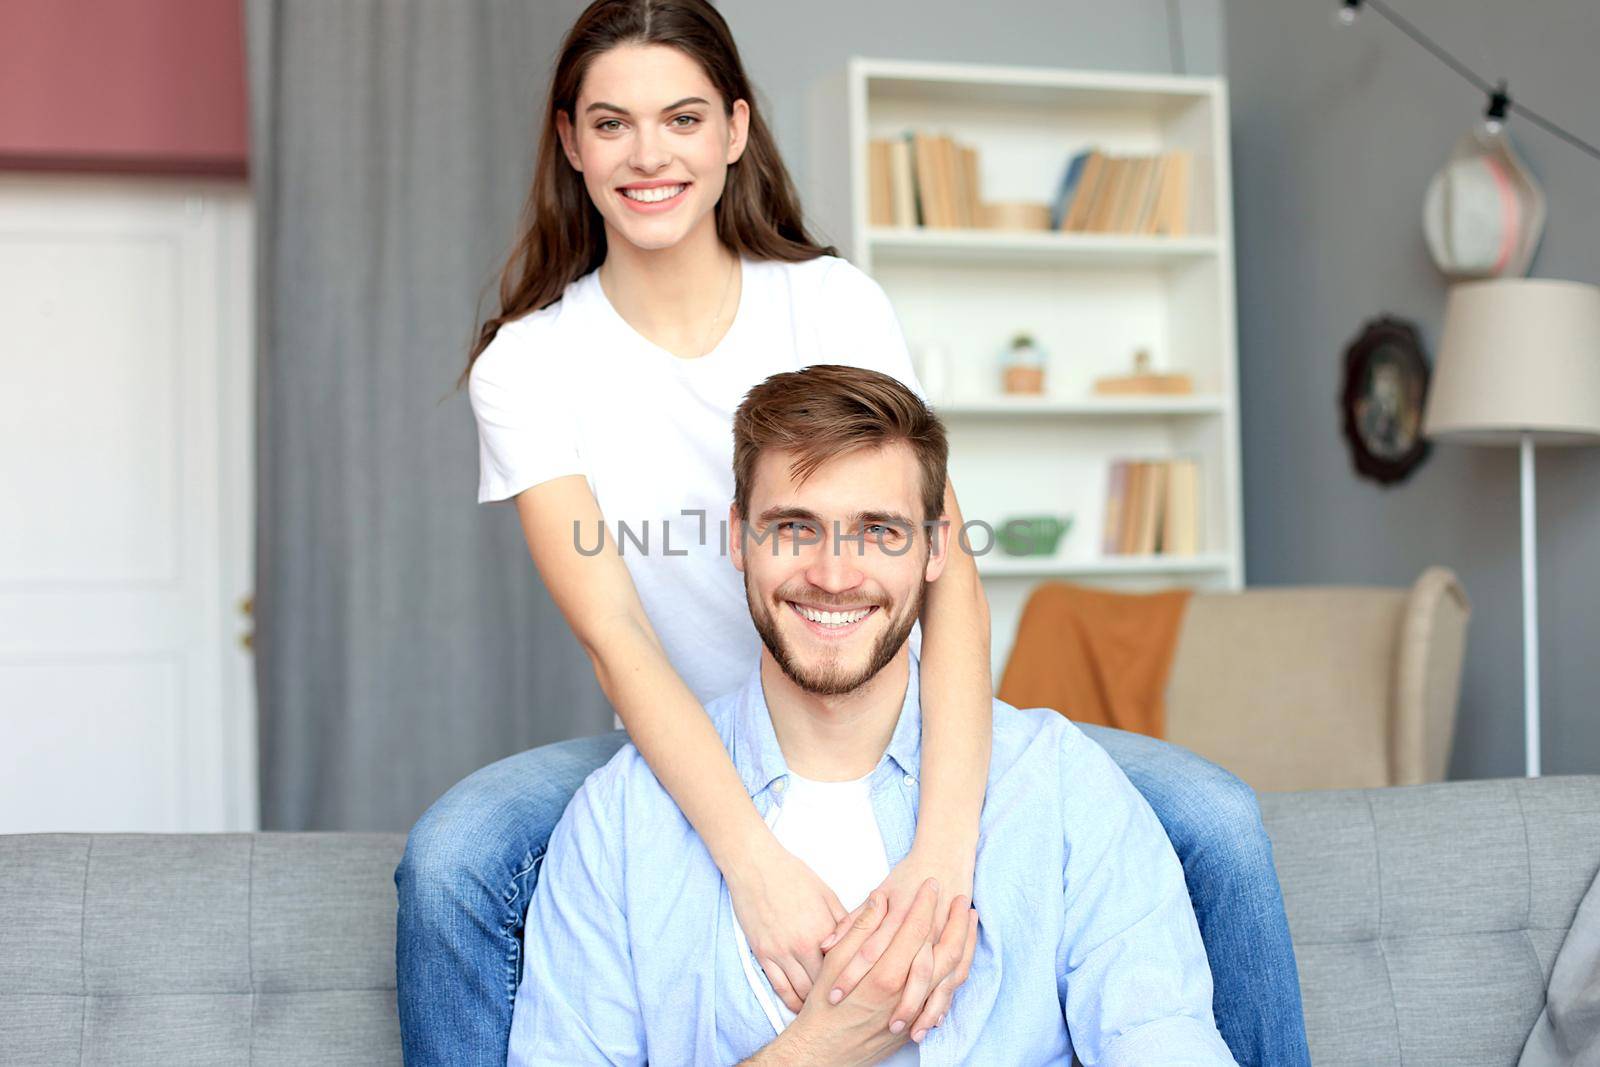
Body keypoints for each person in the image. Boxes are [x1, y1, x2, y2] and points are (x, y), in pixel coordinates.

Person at [395, 1, 1311, 1064]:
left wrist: (943, 847)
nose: (648, 154)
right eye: (611, 123)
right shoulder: (530, 362)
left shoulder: (829, 300)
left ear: (735, 130)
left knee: (1221, 818)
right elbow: (617, 635)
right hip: (689, 731)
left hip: (892, 716)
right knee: (454, 852)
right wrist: (752, 857)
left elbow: (947, 574)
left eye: (682, 118)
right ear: (570, 141)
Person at [507, 364, 1238, 1065]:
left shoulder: (1060, 788)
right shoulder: (621, 824)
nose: (832, 574)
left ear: (934, 548)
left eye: (880, 530)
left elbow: (1163, 1040)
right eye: (794, 526)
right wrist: (814, 1050)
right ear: (737, 538)